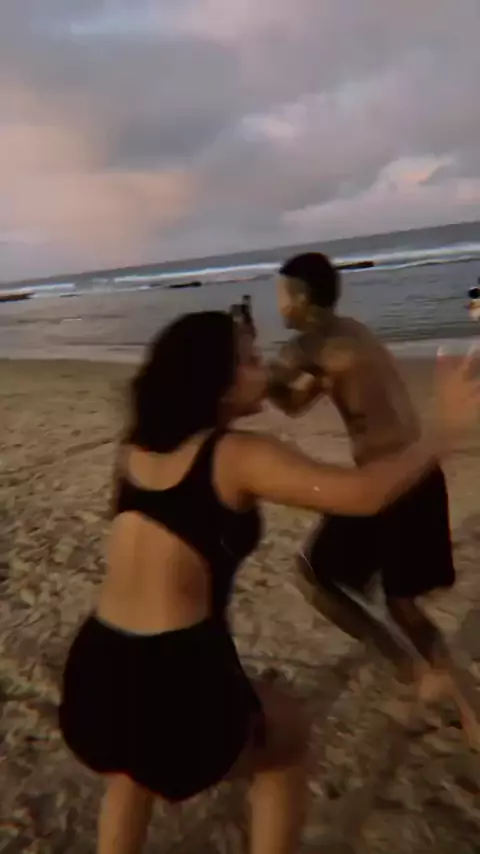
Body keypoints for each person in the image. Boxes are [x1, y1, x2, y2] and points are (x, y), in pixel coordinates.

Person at [59, 310, 478, 854]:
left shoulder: (134, 450)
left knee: (131, 769)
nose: (267, 369)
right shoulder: (237, 455)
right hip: (172, 678)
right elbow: (365, 496)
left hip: (95, 676)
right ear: (218, 383)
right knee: (288, 739)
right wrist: (442, 431)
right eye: (252, 360)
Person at [267, 252, 479, 714]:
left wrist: (239, 358)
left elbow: (261, 381)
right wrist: (275, 385)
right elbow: (293, 404)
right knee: (401, 603)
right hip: (420, 472)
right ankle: (461, 704)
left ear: (301, 298)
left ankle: (410, 668)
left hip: (390, 482)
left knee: (314, 573)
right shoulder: (349, 334)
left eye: (281, 295)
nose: (277, 305)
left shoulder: (310, 346)